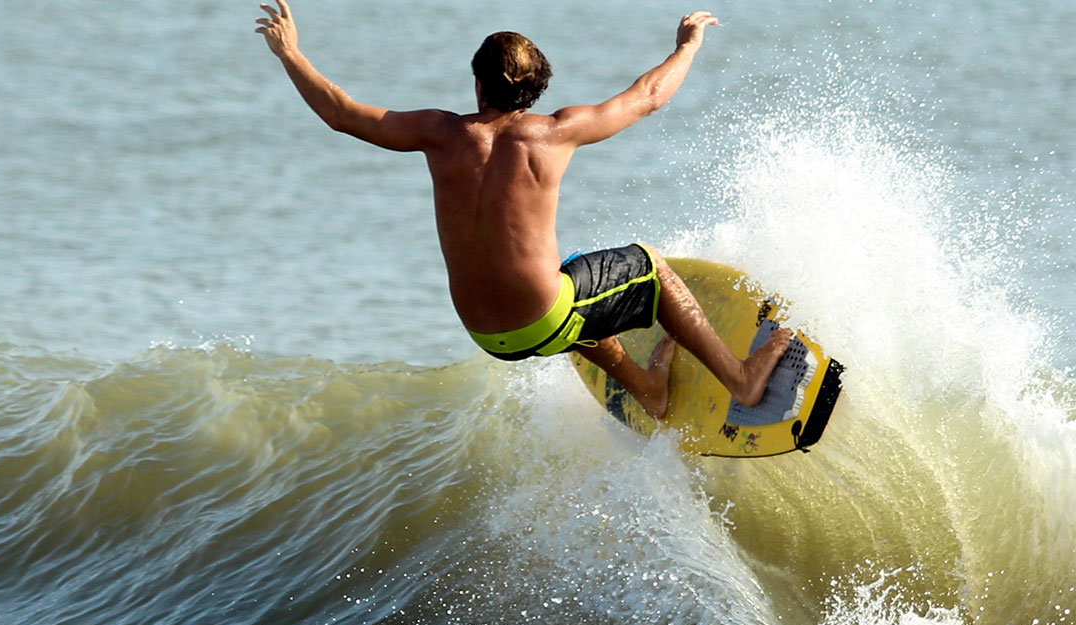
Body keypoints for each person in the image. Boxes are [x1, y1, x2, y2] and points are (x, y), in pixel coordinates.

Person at [255, 0, 788, 419]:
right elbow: (648, 95)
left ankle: (648, 388)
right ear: (537, 90)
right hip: (541, 318)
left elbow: (343, 114)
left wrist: (291, 53)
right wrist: (689, 46)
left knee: (575, 277)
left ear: (479, 86)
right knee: (649, 268)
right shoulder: (553, 132)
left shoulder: (438, 133)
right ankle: (741, 377)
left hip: (484, 333)